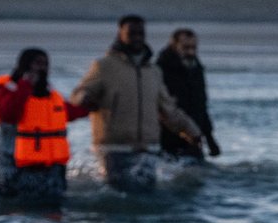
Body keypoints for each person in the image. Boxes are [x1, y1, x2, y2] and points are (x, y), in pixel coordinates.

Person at [68, 15, 204, 192]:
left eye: (141, 33)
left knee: (146, 197)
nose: (137, 37)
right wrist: (84, 98)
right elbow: (78, 93)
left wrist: (193, 132)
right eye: (132, 33)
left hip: (148, 148)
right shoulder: (104, 66)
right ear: (121, 34)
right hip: (114, 147)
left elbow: (169, 110)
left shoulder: (153, 71)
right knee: (118, 196)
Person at [0, 47, 93, 203]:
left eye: (45, 64)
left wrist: (94, 105)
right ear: (25, 65)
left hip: (49, 171)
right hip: (12, 168)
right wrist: (25, 85)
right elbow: (8, 115)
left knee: (52, 211)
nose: (42, 68)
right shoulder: (7, 89)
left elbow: (69, 112)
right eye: (37, 63)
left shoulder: (51, 96)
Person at [157, 28, 220, 159]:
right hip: (167, 137)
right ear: (174, 45)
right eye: (186, 47)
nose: (191, 52)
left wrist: (210, 138)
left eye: (193, 47)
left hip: (194, 137)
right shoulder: (161, 70)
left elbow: (201, 106)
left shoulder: (196, 70)